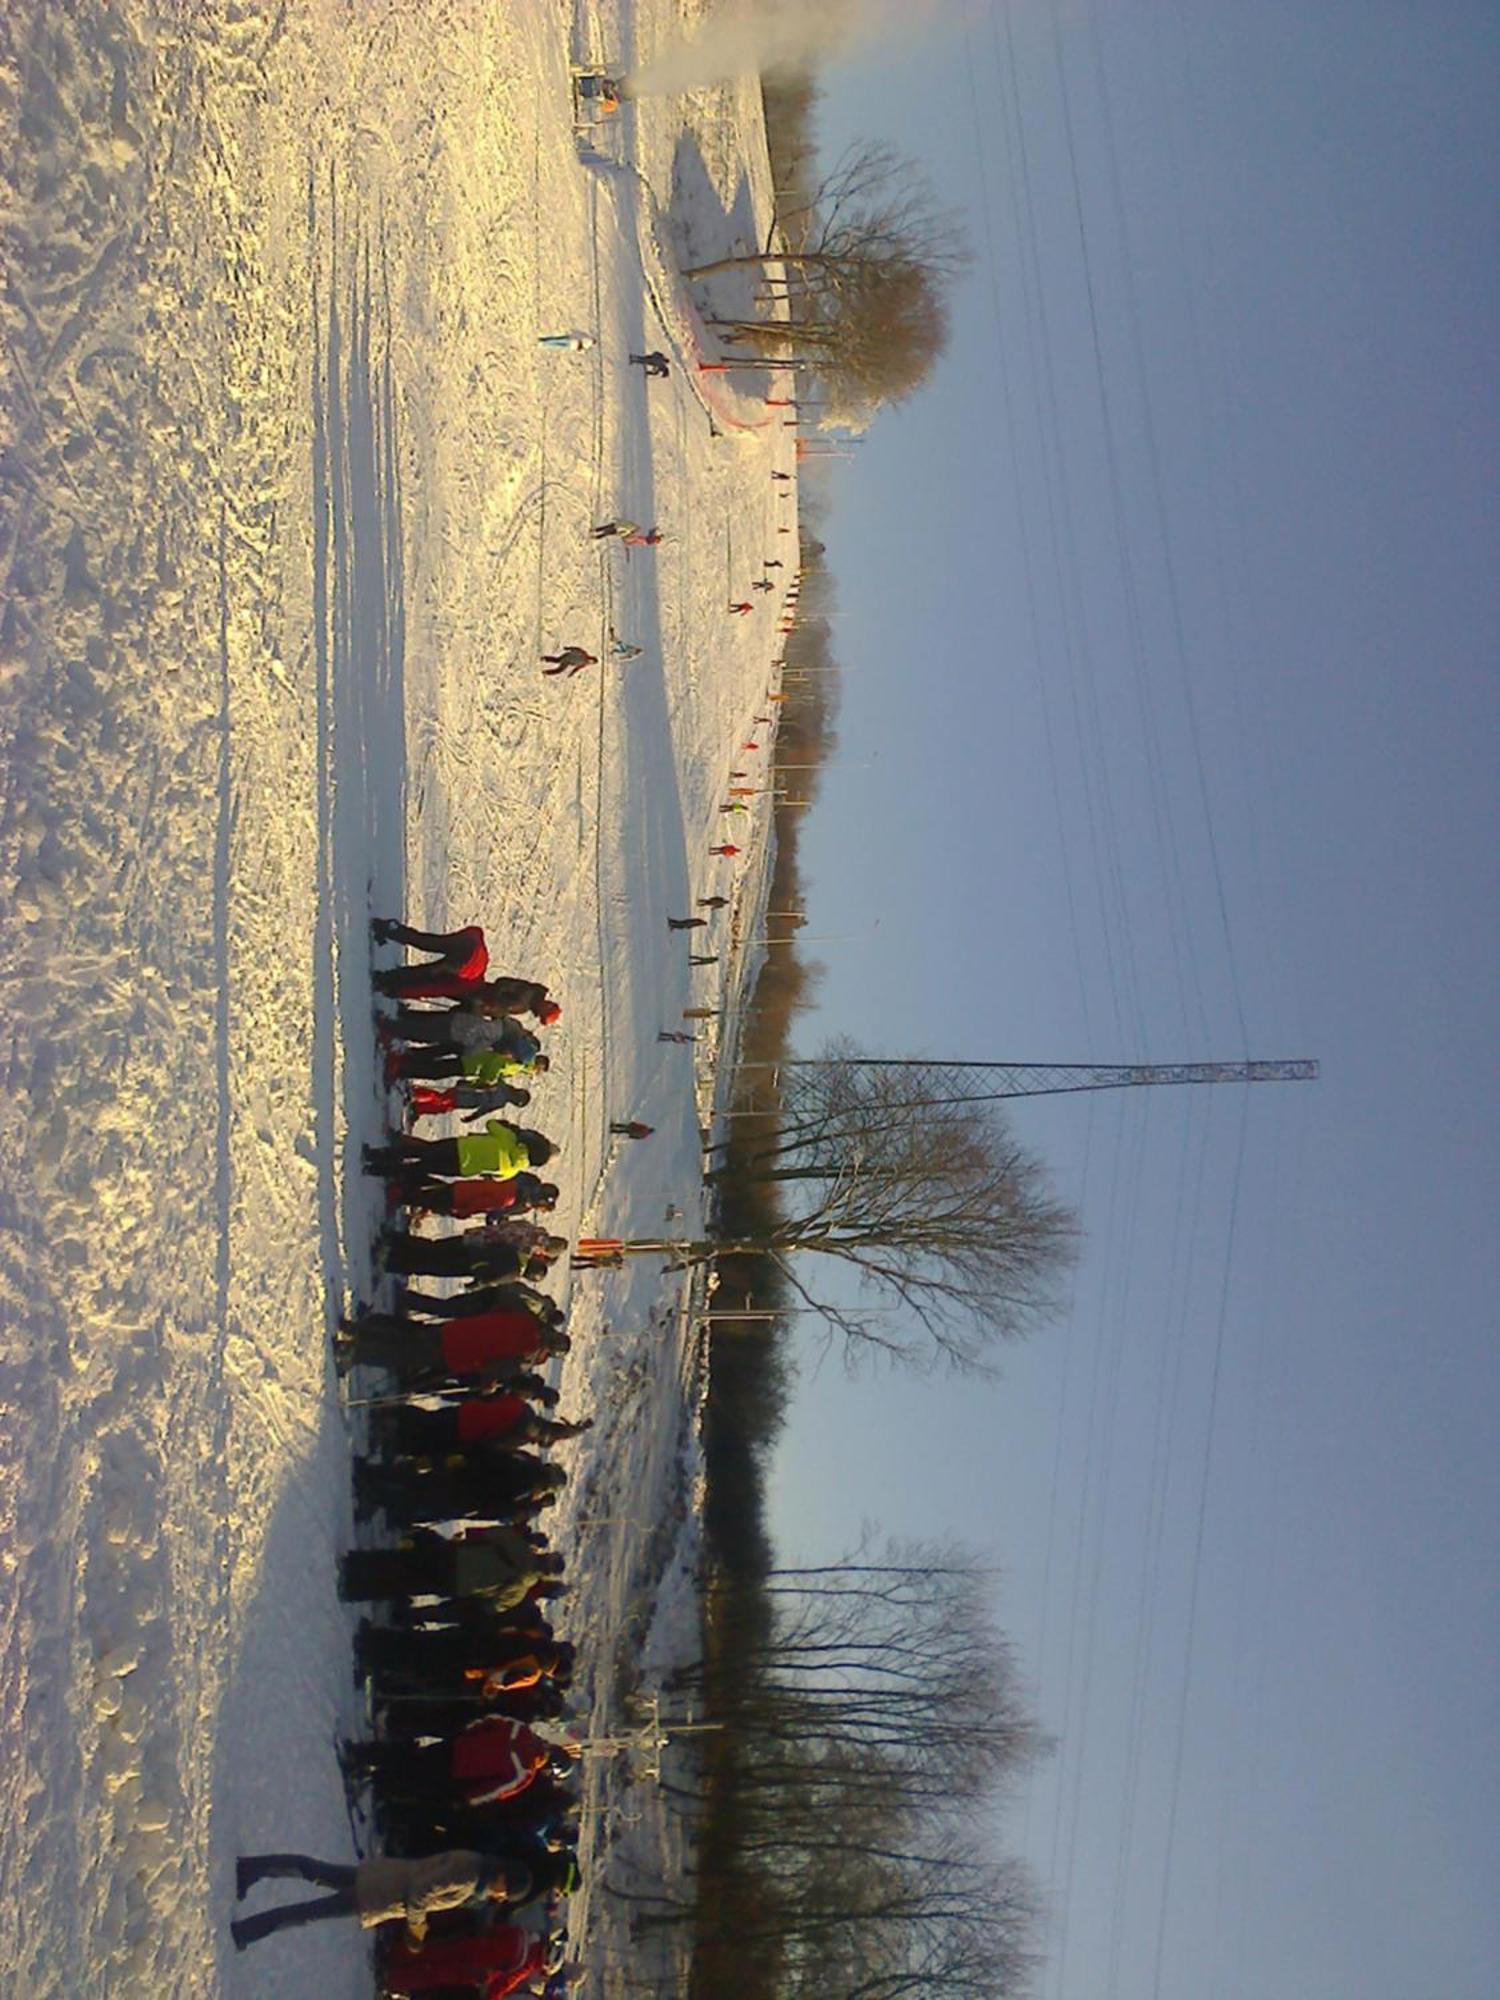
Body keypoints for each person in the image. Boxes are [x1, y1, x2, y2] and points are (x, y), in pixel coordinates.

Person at [230, 1848, 511, 1950]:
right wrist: (416, 1926)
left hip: (383, 1878)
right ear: (503, 1876)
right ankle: (247, 1930)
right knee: (309, 1912)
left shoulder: (475, 1864)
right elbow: (421, 1890)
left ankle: (252, 1868)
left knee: (316, 1872)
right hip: (379, 1895)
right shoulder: (470, 1878)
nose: (500, 1895)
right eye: (505, 1890)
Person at [363, 1121, 556, 1183]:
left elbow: (491, 1124)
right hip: (461, 1168)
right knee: (420, 1168)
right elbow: (490, 1177)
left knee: (420, 1151)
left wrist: (512, 1130)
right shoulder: (511, 1172)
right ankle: (378, 1171)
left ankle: (377, 1155)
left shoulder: (510, 1139)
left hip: (460, 1147)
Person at [372, 921, 489, 995]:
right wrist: (399, 992)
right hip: (463, 961)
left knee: (428, 942)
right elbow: (432, 989)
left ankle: (392, 929)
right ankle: (385, 980)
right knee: (426, 973)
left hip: (470, 941)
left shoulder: (480, 968)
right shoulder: (467, 986)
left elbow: (476, 932)